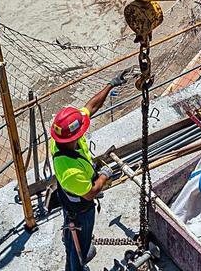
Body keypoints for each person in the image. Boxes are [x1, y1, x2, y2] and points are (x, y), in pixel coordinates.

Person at [51, 70, 129, 271]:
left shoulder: (62, 140)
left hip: (70, 199)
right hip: (80, 210)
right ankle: (76, 264)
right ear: (73, 136)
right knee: (80, 244)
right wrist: (104, 175)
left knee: (72, 235)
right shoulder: (70, 171)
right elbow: (90, 193)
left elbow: (90, 107)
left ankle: (72, 248)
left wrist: (111, 84)